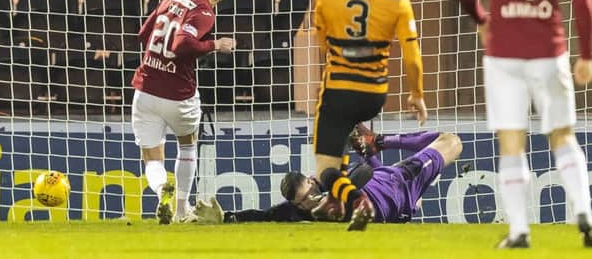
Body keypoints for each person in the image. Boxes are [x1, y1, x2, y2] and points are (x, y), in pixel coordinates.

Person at [456, 0, 592, 248]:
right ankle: (585, 210)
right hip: (549, 52)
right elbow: (583, 3)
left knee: (512, 141)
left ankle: (518, 231)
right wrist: (588, 56)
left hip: (503, 54)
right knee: (562, 136)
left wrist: (483, 20)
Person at [310, 0, 427, 230]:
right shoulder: (398, 1)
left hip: (338, 89)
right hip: (374, 95)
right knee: (347, 132)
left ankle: (355, 200)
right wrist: (417, 94)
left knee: (325, 170)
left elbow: (321, 43)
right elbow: (412, 57)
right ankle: (337, 201)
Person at [131, 0, 236, 224]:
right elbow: (182, 44)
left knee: (152, 156)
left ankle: (160, 191)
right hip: (179, 95)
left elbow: (144, 34)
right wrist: (215, 44)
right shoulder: (205, 12)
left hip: (146, 89)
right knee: (187, 147)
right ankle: (180, 210)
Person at [192, 124, 462, 225]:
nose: (310, 202)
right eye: (303, 203)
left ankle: (382, 140)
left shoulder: (330, 178)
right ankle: (379, 143)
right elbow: (264, 215)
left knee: (450, 140)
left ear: (311, 180)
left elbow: (369, 173)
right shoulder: (307, 210)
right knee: (451, 142)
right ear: (295, 205)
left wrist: (372, 150)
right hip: (396, 196)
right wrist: (228, 217)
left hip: (396, 180)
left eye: (309, 194)